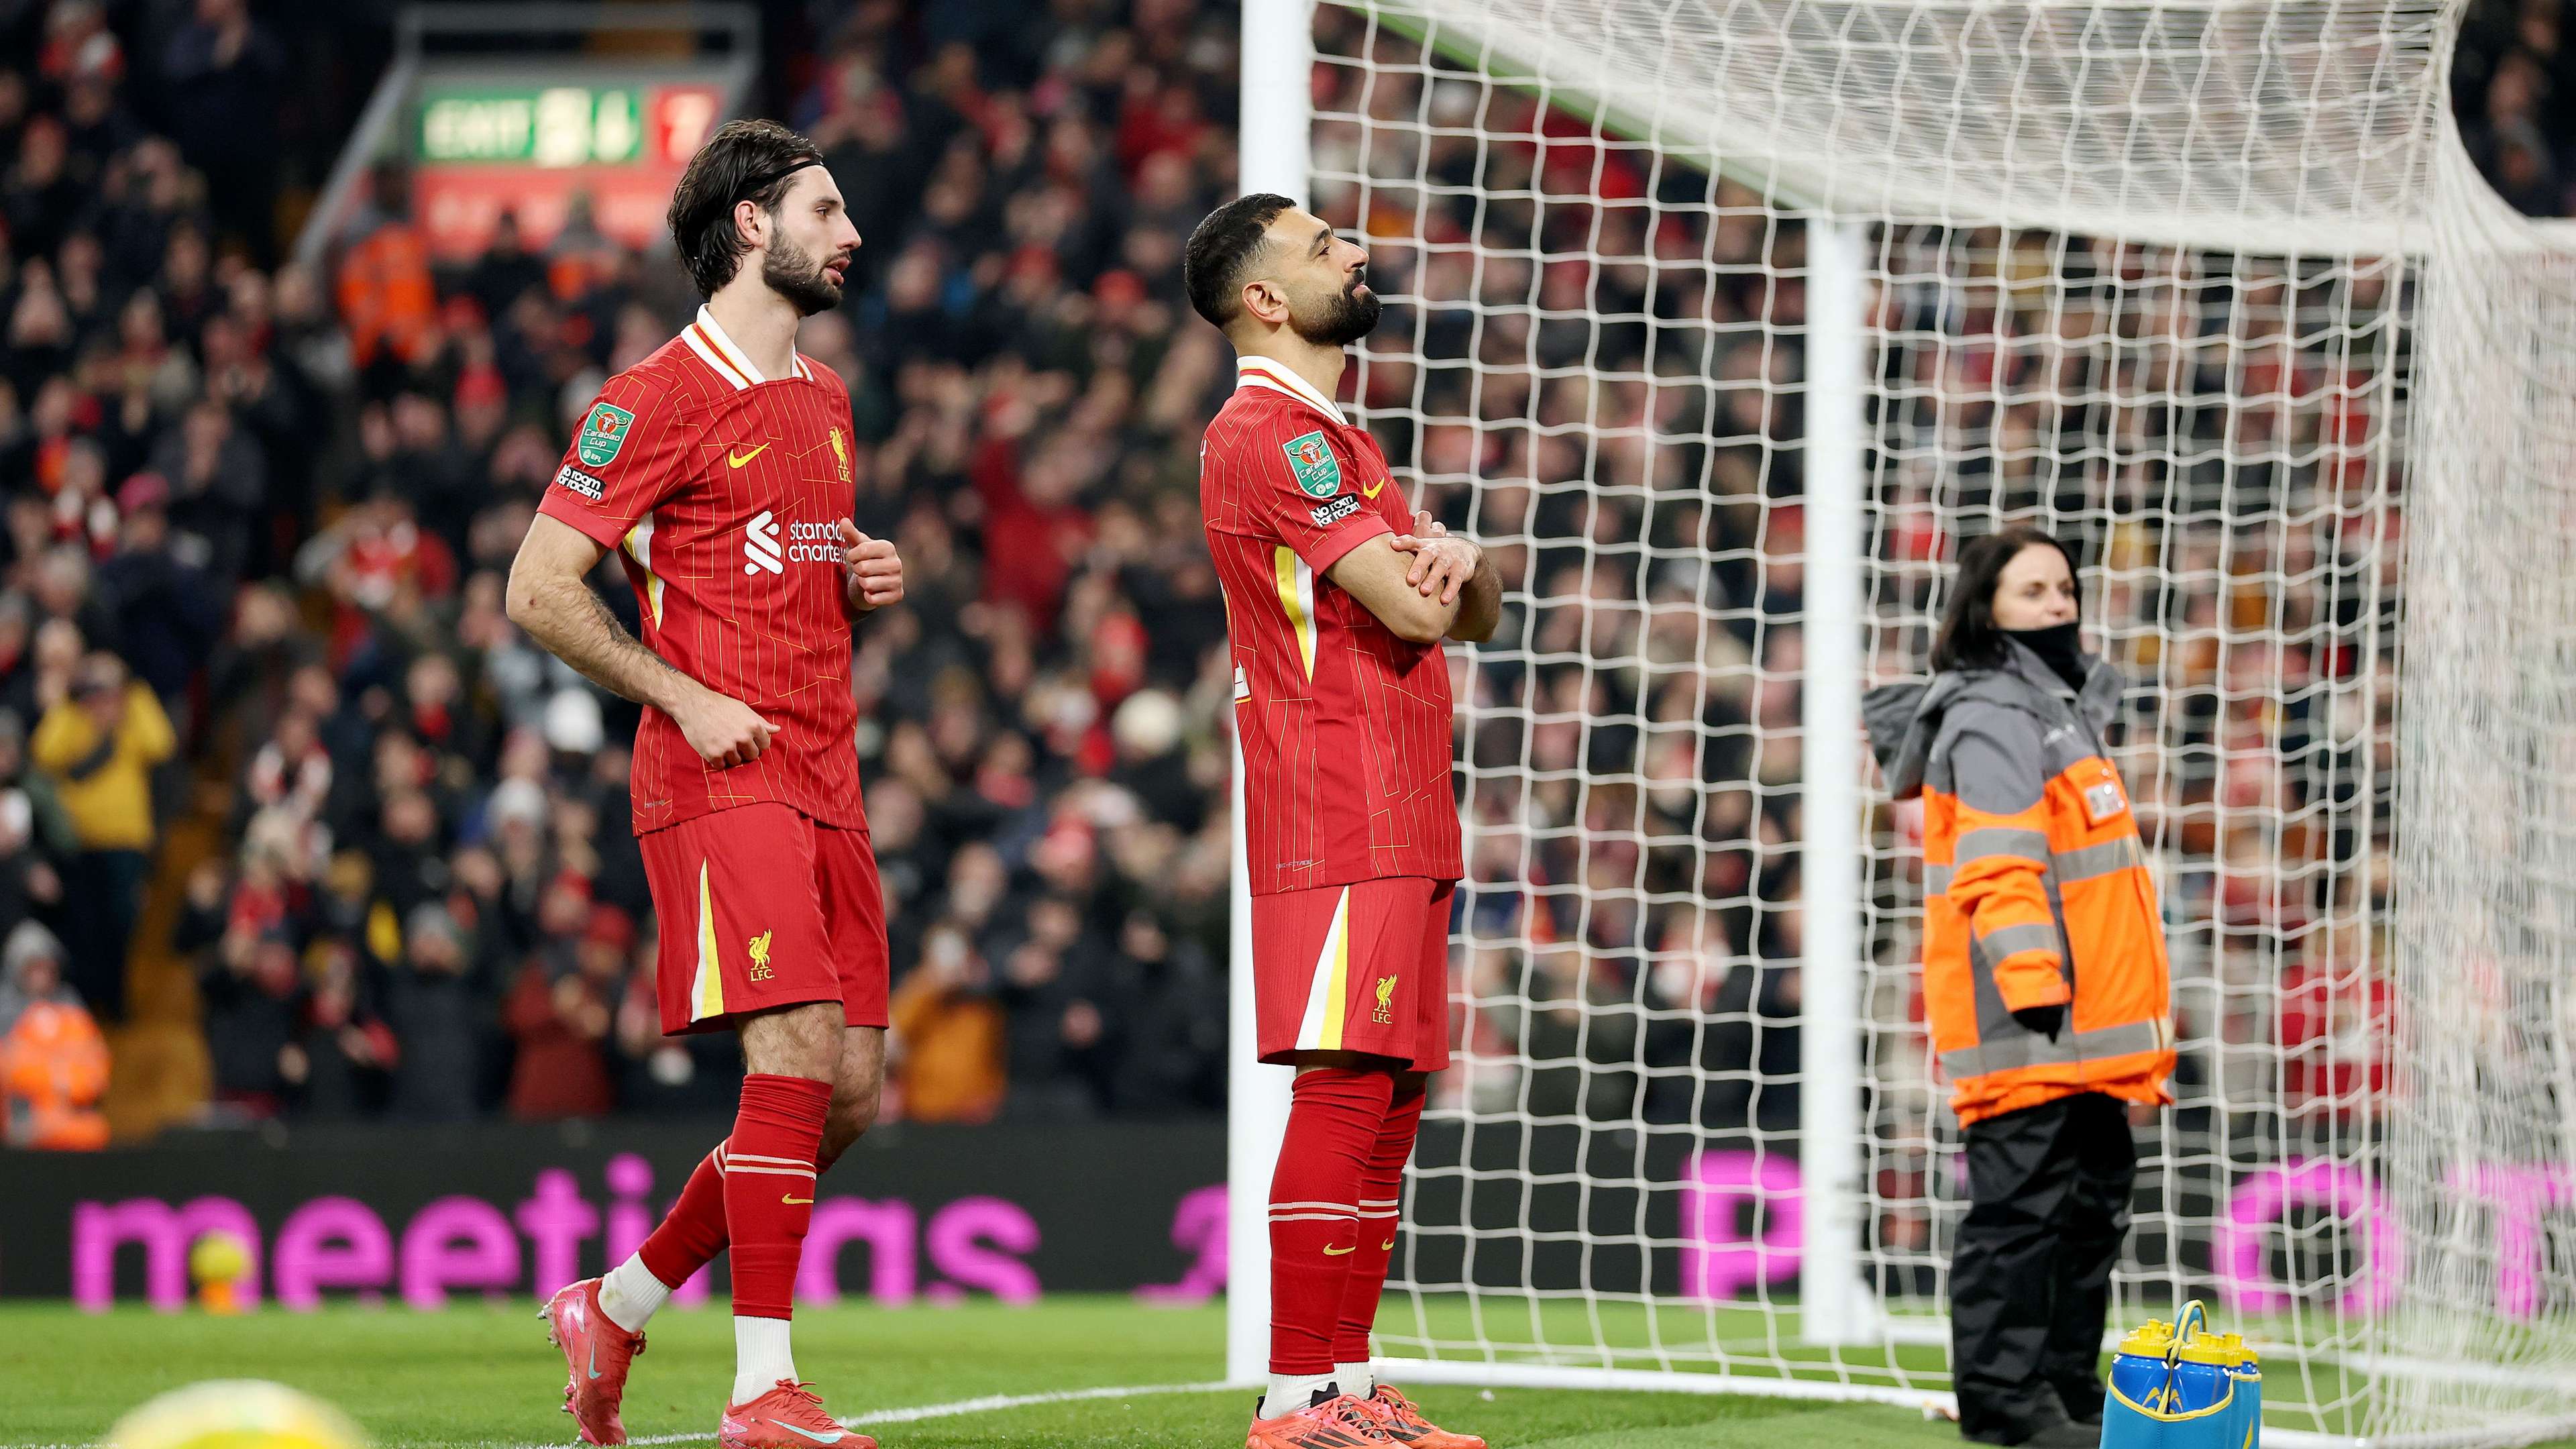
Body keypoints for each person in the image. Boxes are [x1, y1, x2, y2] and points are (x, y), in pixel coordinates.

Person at [506, 118, 904, 1449]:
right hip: (715, 770)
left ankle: (617, 1305)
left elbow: (785, 568)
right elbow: (537, 585)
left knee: (848, 1096)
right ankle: (761, 1394)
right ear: (750, 222)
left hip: (829, 773)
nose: (852, 237)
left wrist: (861, 579)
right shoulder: (652, 397)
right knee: (789, 1050)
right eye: (829, 212)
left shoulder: (830, 400)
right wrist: (681, 689)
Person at [1182, 193, 1501, 1449]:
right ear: (1264, 298)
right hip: (1338, 793)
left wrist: (1460, 565)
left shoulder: (1344, 441)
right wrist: (1444, 574)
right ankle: (1294, 1398)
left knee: (1392, 1094)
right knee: (1344, 1083)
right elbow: (1424, 613)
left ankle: (1354, 1386)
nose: (1354, 253)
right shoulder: (1274, 436)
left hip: (1404, 793)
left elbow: (1465, 607)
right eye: (1323, 247)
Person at [1860, 526, 2176, 1448]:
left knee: (2085, 1217)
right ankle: (2007, 1404)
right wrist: (2036, 987)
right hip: (2030, 1018)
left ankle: (2068, 1393)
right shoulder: (1997, 714)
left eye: (2064, 587)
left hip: (2085, 1027)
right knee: (2023, 1220)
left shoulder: (2057, 710)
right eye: (2033, 590)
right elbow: (2000, 865)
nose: (2058, 603)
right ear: (1984, 609)